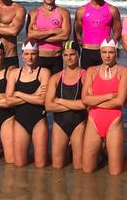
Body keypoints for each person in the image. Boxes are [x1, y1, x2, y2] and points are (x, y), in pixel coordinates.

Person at [81, 38, 127, 175]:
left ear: (117, 53)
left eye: (111, 52)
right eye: (104, 52)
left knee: (115, 173)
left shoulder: (123, 71)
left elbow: (120, 101)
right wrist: (109, 96)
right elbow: (84, 99)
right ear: (100, 53)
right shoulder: (91, 71)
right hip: (94, 121)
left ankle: (124, 161)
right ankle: (105, 154)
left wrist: (94, 100)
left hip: (114, 121)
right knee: (87, 170)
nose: (107, 55)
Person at [5, 40, 50, 168]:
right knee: (19, 165)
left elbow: (42, 100)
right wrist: (33, 96)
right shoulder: (14, 73)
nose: (30, 57)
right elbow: (8, 100)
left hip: (39, 121)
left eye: (33, 54)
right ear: (21, 54)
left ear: (38, 54)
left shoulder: (44, 72)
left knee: (41, 166)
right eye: (27, 54)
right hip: (20, 122)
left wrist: (18, 93)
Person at [45, 41, 87, 170]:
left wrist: (60, 101)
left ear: (78, 55)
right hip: (60, 124)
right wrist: (75, 104)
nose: (69, 58)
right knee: (57, 167)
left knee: (79, 167)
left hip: (79, 123)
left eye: (72, 54)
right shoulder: (56, 78)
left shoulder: (85, 75)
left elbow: (85, 105)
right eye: (66, 55)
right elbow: (48, 106)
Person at [74, 0, 122, 69]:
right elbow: (77, 33)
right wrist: (83, 45)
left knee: (105, 80)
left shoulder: (112, 10)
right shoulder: (81, 10)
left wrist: (109, 46)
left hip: (104, 52)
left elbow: (118, 32)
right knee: (87, 81)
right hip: (87, 52)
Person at [27, 0, 71, 75]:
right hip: (39, 57)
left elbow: (65, 36)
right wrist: (54, 31)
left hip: (56, 58)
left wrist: (39, 34)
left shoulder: (64, 12)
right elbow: (30, 35)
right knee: (40, 88)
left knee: (54, 88)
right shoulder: (34, 13)